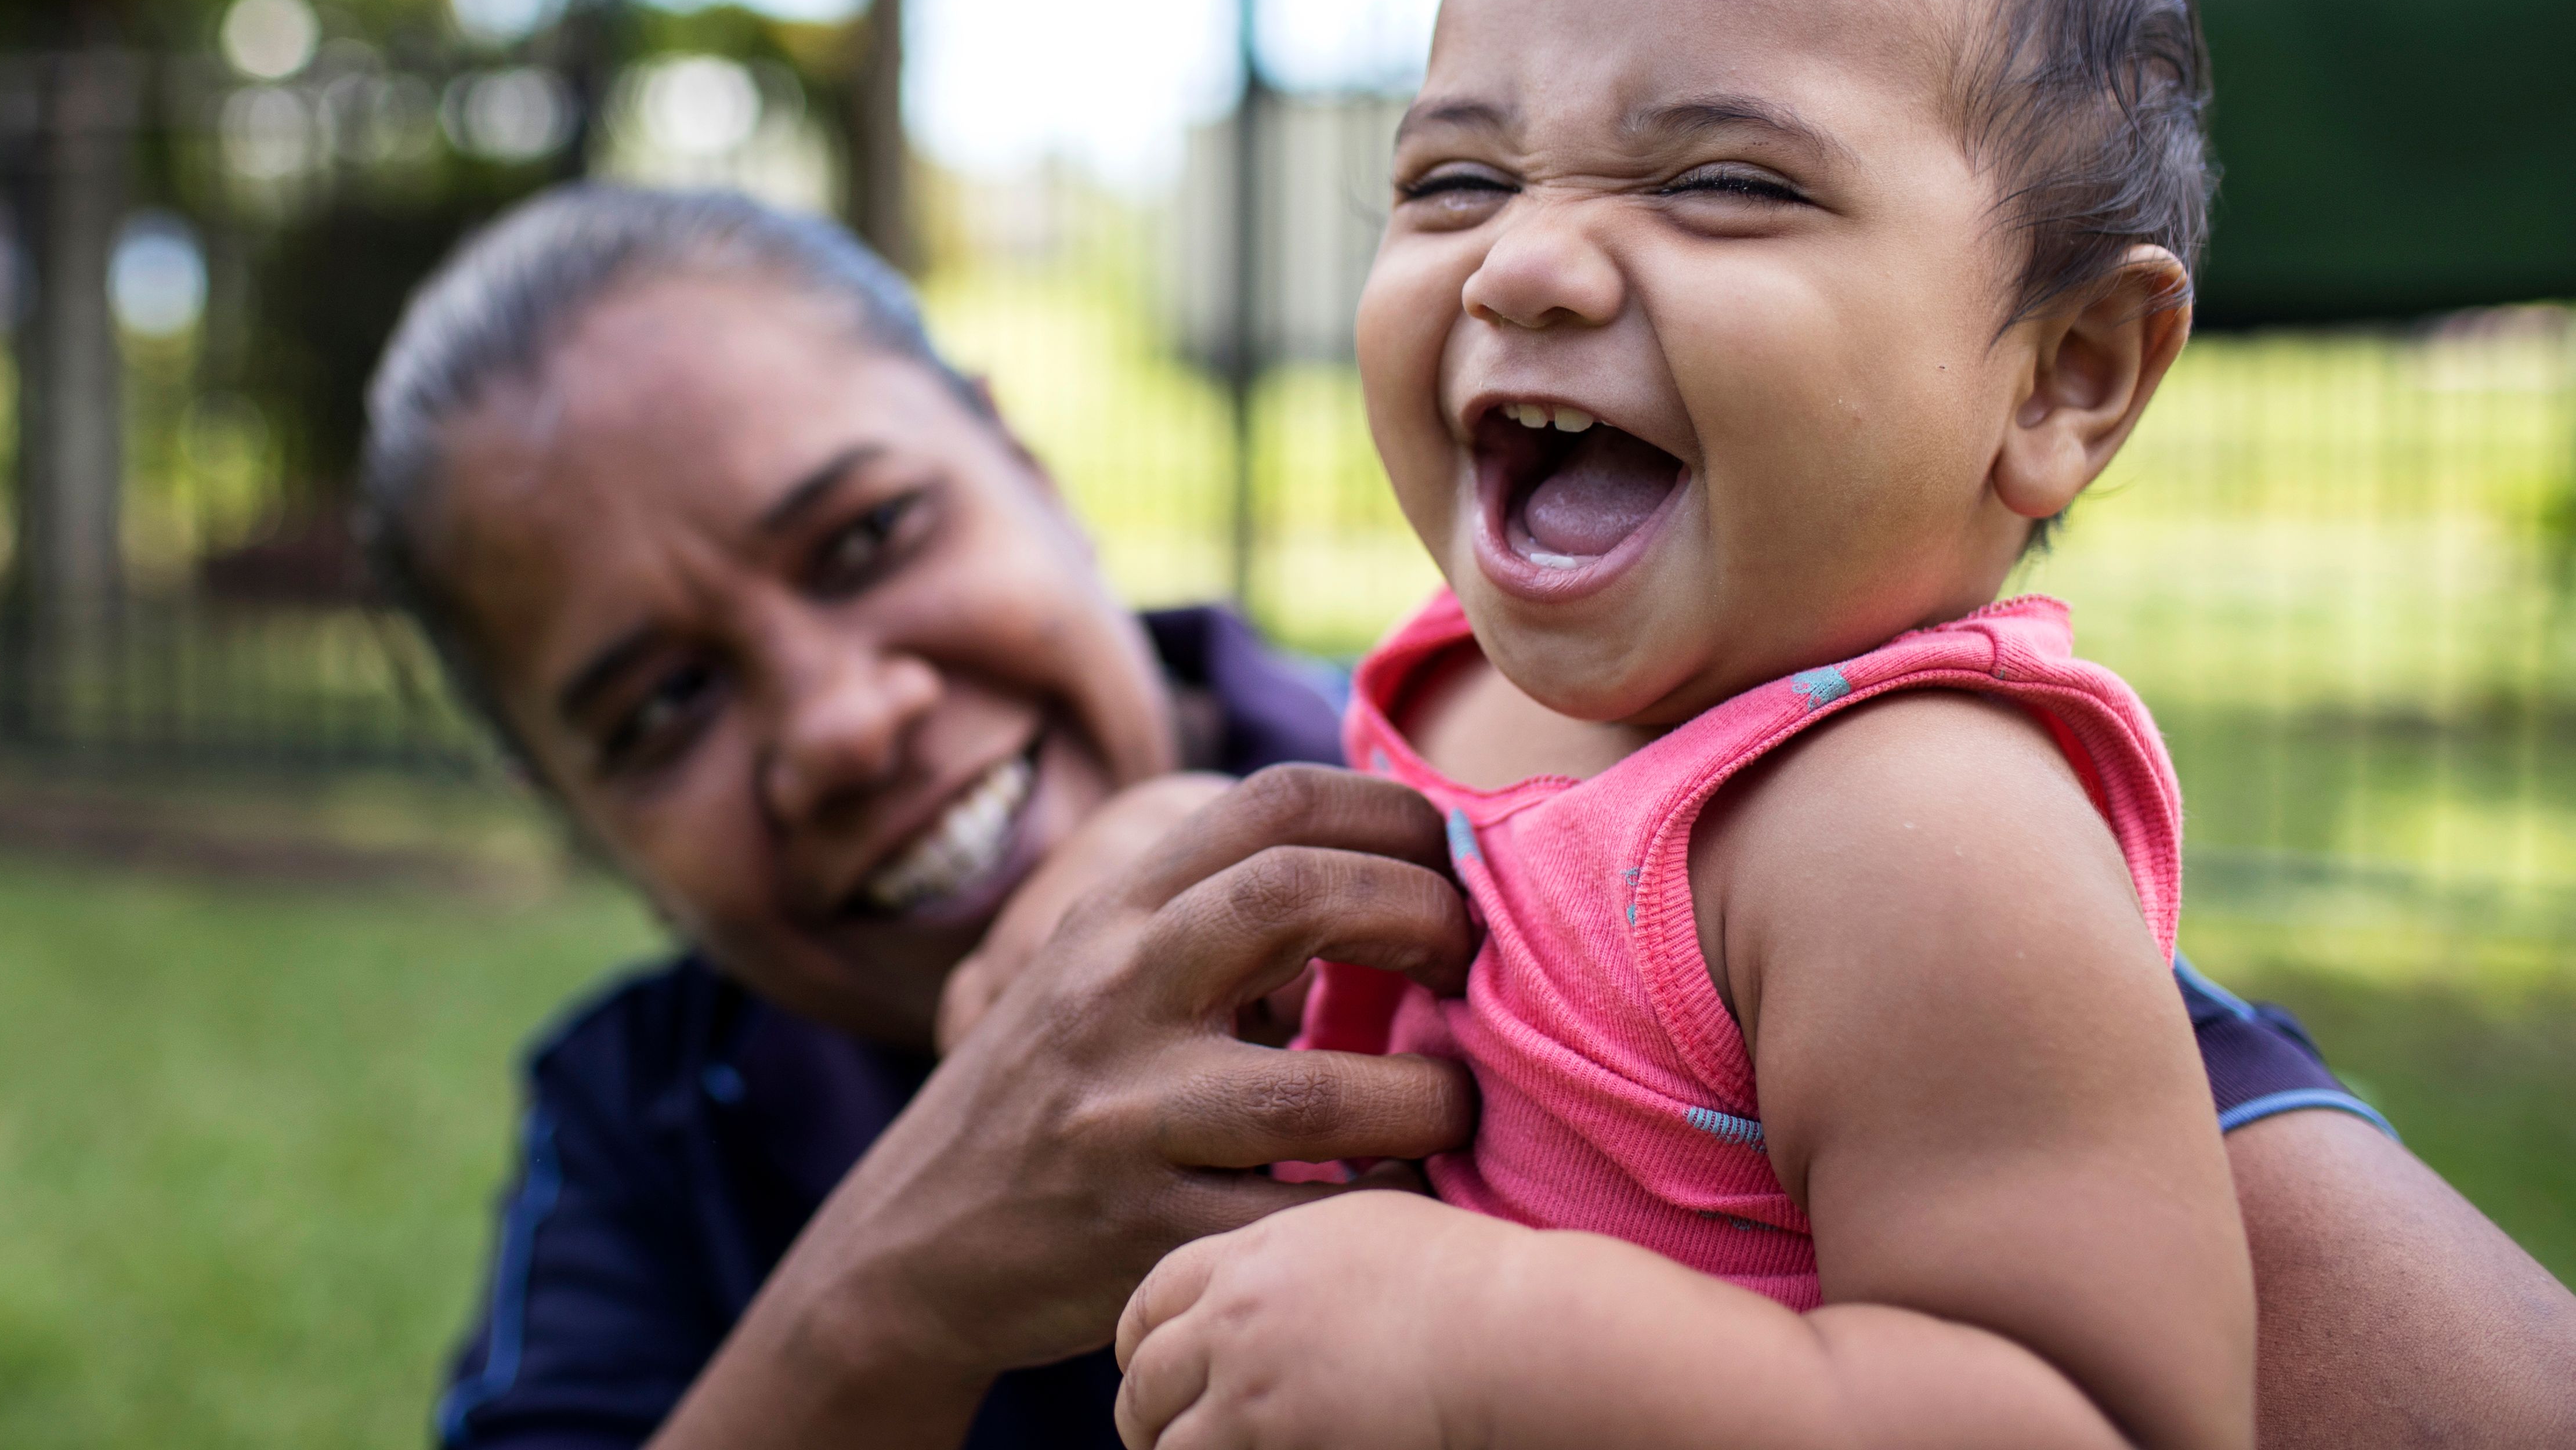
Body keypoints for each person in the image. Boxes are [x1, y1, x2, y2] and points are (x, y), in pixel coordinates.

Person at [358, 183, 2576, 1449]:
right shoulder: (656, 1120)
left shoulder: (1607, 814)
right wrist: (883, 1298)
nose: (839, 719)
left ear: (1020, 458)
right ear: (577, 817)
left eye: (863, 541)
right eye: (657, 708)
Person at [1099, 0, 2576, 1449]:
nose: (1526, 264)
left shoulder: (1908, 828)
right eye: (1456, 180)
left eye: (1724, 183)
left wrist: (1488, 1341)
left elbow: (2094, 1413)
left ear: (2065, 372)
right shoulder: (1465, 686)